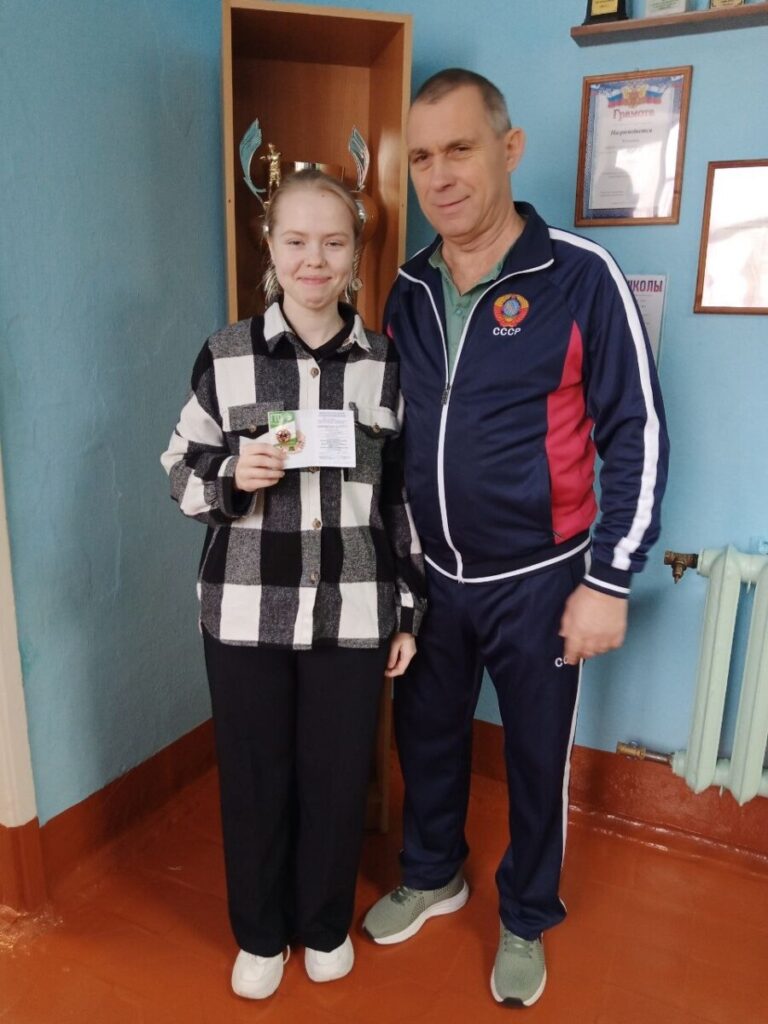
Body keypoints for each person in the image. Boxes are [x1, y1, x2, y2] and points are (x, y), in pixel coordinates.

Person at [362, 69, 669, 1008]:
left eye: (459, 149)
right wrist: (390, 568)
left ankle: (527, 916)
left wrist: (609, 578)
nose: (439, 175)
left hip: (543, 579)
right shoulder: (408, 288)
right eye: (422, 157)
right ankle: (433, 874)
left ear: (509, 147)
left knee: (536, 759)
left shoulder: (579, 275)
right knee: (427, 738)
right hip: (432, 576)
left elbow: (638, 431)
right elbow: (392, 437)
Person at [161, 169, 425, 1000]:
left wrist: (408, 608)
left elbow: (401, 500)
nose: (316, 259)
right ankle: (260, 934)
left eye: (334, 242)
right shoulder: (226, 354)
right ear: (270, 250)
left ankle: (324, 924)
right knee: (254, 779)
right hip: (245, 613)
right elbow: (179, 470)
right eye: (297, 241)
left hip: (353, 611)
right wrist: (232, 475)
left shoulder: (384, 364)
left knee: (338, 777)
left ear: (356, 255)